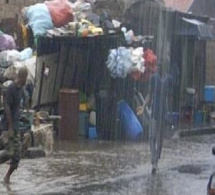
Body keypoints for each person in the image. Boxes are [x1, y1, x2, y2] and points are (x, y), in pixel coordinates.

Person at [141, 59, 172, 174]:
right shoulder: (153, 79)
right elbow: (150, 94)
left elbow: (169, 96)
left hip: (163, 113)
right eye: (157, 67)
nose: (158, 68)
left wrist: (168, 111)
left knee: (160, 139)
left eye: (160, 66)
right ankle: (154, 161)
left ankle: (156, 159)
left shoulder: (168, 79)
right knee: (151, 137)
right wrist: (144, 105)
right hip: (154, 112)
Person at [0, 67, 28, 184]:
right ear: (22, 77)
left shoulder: (21, 89)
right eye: (25, 77)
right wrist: (10, 127)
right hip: (8, 125)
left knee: (17, 155)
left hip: (16, 125)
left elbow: (23, 102)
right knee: (10, 152)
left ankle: (7, 178)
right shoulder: (11, 88)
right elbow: (6, 106)